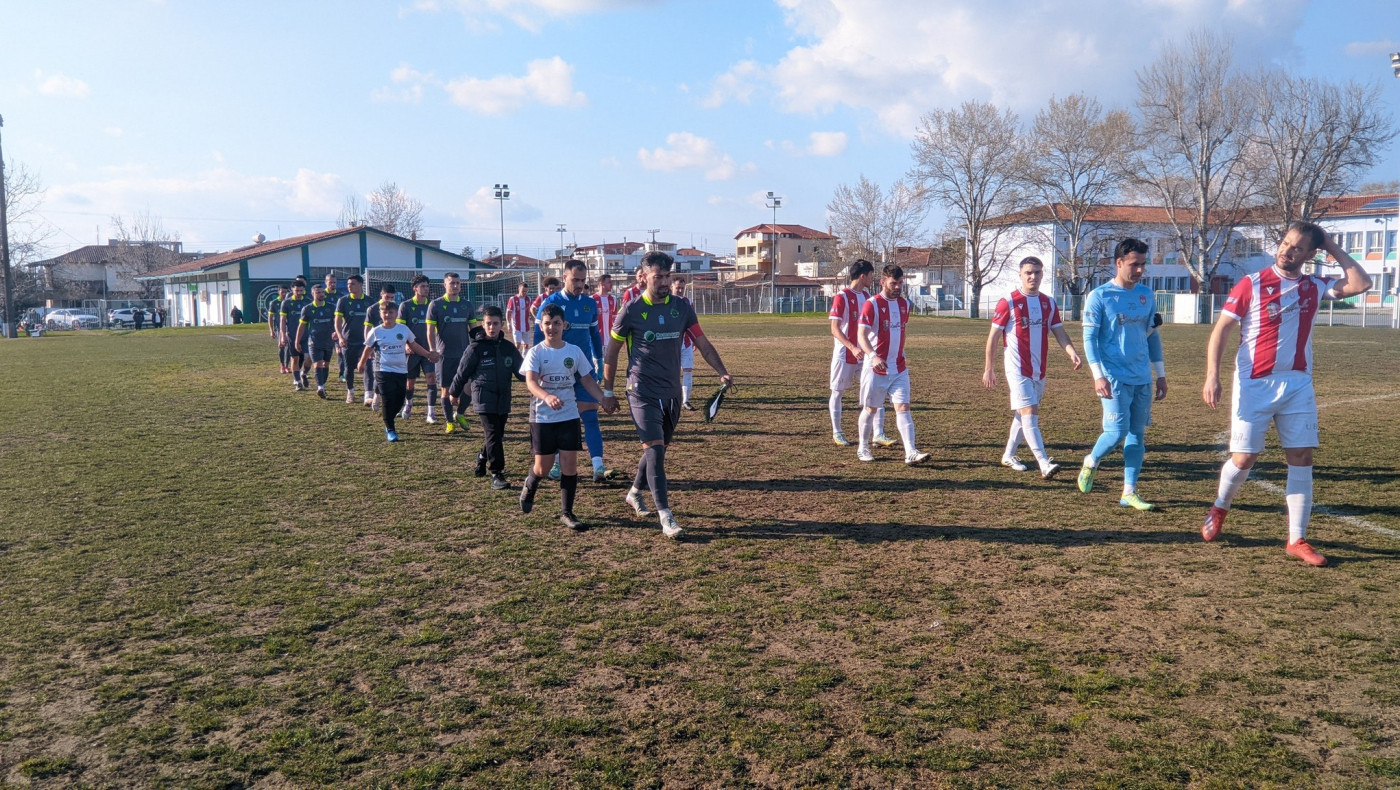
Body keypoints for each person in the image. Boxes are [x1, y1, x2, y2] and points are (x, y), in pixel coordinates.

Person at [1201, 222, 1372, 566]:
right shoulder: (1253, 283)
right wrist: (1212, 376)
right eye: (1285, 243)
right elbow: (1221, 329)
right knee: (1244, 459)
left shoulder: (1314, 285)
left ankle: (1296, 538)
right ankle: (1220, 505)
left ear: (1310, 255)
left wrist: (1332, 246)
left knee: (1302, 458)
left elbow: (1361, 283)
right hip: (1254, 384)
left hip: (1297, 384)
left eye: (1297, 247)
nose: (1287, 250)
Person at [601, 251, 734, 540]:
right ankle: (666, 515)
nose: (663, 282)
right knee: (656, 451)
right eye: (658, 276)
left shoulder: (682, 308)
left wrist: (721, 371)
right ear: (644, 276)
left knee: (655, 451)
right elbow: (611, 352)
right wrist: (608, 391)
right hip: (641, 391)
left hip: (671, 393)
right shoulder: (631, 310)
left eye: (667, 276)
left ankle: (634, 493)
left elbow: (703, 342)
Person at [1077, 238, 1167, 510]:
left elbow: (1151, 335)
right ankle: (1091, 461)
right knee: (1117, 432)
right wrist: (1098, 375)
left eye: (1142, 264)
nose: (1139, 270)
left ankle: (1129, 491)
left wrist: (1160, 374)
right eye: (1134, 264)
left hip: (1142, 377)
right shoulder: (1100, 296)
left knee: (1137, 435)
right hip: (1113, 376)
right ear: (1119, 263)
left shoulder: (1146, 296)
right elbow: (1089, 338)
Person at [983, 256, 1082, 479]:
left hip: (1039, 368)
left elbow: (1059, 332)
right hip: (1017, 368)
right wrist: (989, 368)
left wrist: (1072, 352)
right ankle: (1043, 462)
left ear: (1042, 275)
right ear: (1020, 274)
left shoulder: (1048, 303)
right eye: (1028, 272)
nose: (1033, 277)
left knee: (1023, 413)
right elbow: (993, 338)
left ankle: (1008, 455)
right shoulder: (1008, 302)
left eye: (1037, 272)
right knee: (1030, 411)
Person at [521, 304, 614, 531]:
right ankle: (531, 483)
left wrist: (603, 398)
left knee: (569, 466)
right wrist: (547, 396)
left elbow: (587, 381)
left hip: (569, 415)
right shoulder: (536, 352)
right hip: (542, 417)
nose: (551, 327)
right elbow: (531, 382)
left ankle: (567, 513)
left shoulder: (573, 351)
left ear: (564, 325)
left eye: (556, 323)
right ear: (541, 325)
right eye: (547, 323)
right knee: (543, 468)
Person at [535, 260, 613, 482]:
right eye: (575, 280)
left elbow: (594, 335)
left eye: (582, 280)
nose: (579, 284)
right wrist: (540, 365)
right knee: (561, 419)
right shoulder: (551, 303)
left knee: (590, 416)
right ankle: (557, 465)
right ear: (564, 277)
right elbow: (539, 337)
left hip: (584, 370)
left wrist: (598, 359)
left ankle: (598, 466)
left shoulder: (589, 304)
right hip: (557, 372)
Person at [856, 264, 931, 466]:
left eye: (900, 283)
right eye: (893, 283)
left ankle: (911, 452)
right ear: (882, 282)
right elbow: (861, 335)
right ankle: (863, 446)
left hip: (898, 367)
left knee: (903, 407)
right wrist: (873, 355)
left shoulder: (905, 304)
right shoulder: (871, 304)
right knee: (871, 409)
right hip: (876, 368)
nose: (897, 287)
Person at [448, 305, 526, 490]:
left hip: (503, 397)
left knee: (497, 435)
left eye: (496, 324)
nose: (492, 327)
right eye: (488, 324)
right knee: (492, 433)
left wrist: (538, 375)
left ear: (502, 325)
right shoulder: (475, 348)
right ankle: (497, 473)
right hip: (483, 396)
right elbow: (462, 372)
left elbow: (522, 373)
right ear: (483, 325)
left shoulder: (508, 348)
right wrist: (453, 393)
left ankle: (482, 456)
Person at [828, 259, 890, 446]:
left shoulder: (867, 297)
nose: (873, 278)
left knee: (875, 390)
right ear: (863, 276)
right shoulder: (842, 296)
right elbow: (834, 328)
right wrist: (852, 347)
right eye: (871, 275)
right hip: (845, 355)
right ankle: (837, 432)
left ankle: (878, 434)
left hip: (865, 355)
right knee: (837, 393)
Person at [359, 302, 438, 442]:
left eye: (391, 312)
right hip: (383, 370)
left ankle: (388, 419)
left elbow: (414, 345)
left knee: (400, 399)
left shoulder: (403, 329)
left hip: (401, 370)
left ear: (396, 314)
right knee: (388, 400)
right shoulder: (376, 331)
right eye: (385, 312)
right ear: (381, 314)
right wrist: (362, 362)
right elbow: (367, 349)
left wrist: (428, 355)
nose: (388, 315)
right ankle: (390, 429)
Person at [427, 272, 478, 434]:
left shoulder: (467, 305)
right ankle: (449, 422)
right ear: (445, 285)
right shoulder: (436, 305)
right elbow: (429, 331)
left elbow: (474, 329)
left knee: (469, 386)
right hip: (445, 355)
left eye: (457, 283)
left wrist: (479, 346)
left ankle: (460, 414)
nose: (455, 286)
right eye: (452, 283)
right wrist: (432, 349)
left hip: (465, 355)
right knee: (446, 390)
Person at [397, 274, 436, 421]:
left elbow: (436, 328)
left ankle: (430, 413)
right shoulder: (405, 306)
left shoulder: (432, 305)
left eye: (427, 286)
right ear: (415, 288)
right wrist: (406, 345)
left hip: (428, 351)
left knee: (431, 379)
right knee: (410, 382)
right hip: (412, 351)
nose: (426, 289)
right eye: (422, 286)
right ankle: (408, 404)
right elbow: (400, 329)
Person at [334, 274, 372, 404]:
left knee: (368, 366)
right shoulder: (343, 301)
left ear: (361, 285)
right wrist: (340, 337)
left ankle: (368, 394)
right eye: (348, 284)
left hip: (365, 342)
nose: (349, 286)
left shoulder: (369, 301)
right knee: (348, 368)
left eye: (352, 284)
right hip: (348, 340)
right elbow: (337, 321)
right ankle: (350, 392)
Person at [295, 283, 337, 398]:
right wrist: (297, 341)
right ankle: (321, 388)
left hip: (328, 341)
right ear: (312, 294)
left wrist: (337, 332)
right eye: (318, 292)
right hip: (314, 341)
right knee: (318, 364)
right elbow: (302, 326)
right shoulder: (307, 309)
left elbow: (337, 322)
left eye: (322, 292)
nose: (321, 294)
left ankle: (306, 375)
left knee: (326, 364)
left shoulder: (331, 307)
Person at [363, 283, 398, 409]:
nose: (389, 300)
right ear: (381, 295)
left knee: (394, 374)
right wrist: (369, 346)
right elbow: (367, 328)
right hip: (378, 348)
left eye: (392, 297)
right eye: (387, 297)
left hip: (394, 347)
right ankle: (376, 395)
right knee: (380, 374)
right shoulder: (372, 309)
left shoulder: (397, 308)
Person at [672, 276, 698, 409]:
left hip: (687, 343)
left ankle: (686, 401)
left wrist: (694, 341)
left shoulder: (689, 302)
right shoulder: (667, 301)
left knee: (688, 370)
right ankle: (672, 399)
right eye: (678, 288)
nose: (680, 290)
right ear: (672, 287)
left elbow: (693, 323)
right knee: (672, 372)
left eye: (682, 288)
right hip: (671, 344)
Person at [279, 280, 310, 390]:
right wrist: (282, 335)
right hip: (292, 335)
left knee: (308, 358)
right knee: (295, 359)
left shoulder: (307, 302)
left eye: (301, 290)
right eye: (297, 290)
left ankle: (304, 374)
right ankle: (297, 381)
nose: (299, 292)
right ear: (292, 290)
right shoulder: (286, 303)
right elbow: (282, 321)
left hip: (307, 336)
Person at [593, 272, 619, 373]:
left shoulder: (614, 299)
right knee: (597, 366)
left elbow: (615, 319)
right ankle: (596, 385)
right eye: (609, 282)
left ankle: (607, 386)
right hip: (597, 338)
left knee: (609, 365)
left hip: (610, 339)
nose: (611, 284)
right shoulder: (592, 299)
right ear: (601, 284)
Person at [322, 272, 343, 382]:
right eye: (330, 282)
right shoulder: (321, 295)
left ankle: (341, 375)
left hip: (337, 328)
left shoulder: (340, 296)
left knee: (340, 351)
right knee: (325, 354)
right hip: (325, 328)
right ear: (326, 283)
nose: (332, 284)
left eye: (334, 282)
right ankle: (322, 374)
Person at [506, 281, 533, 353]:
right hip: (516, 325)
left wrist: (533, 321)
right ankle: (515, 358)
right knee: (517, 344)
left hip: (526, 325)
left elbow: (531, 311)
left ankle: (523, 359)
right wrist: (508, 324)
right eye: (523, 291)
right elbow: (508, 312)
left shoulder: (529, 299)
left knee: (526, 345)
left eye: (526, 291)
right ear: (519, 289)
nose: (524, 293)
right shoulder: (513, 299)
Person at [269, 286, 289, 374]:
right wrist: (271, 330)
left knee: (289, 347)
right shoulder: (274, 303)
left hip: (290, 328)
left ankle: (287, 365)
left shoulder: (289, 302)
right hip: (279, 328)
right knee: (281, 346)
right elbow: (270, 317)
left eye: (285, 292)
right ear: (279, 292)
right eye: (282, 292)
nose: (284, 294)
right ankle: (282, 365)